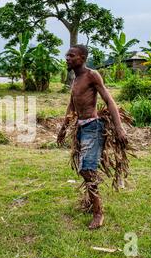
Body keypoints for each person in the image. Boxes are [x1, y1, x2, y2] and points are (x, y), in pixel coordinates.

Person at [57, 45, 133, 230]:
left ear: (82, 58)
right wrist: (63, 128)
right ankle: (92, 202)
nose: (67, 58)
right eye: (67, 55)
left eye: (71, 55)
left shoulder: (92, 75)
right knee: (86, 169)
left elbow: (109, 100)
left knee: (87, 169)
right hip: (81, 128)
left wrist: (119, 127)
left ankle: (98, 212)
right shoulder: (75, 79)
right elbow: (71, 106)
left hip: (93, 126)